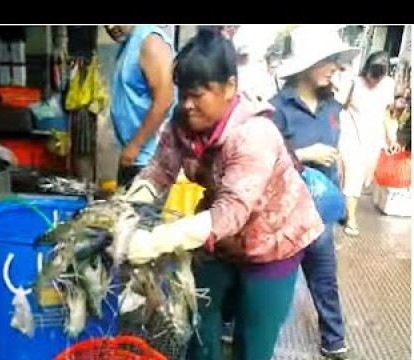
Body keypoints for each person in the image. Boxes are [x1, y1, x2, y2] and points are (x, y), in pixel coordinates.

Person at [123, 28, 324, 360]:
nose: (187, 105)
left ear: (230, 87)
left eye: (199, 94)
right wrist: (131, 204)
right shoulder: (182, 124)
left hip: (272, 242)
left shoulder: (253, 134)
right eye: (183, 94)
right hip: (219, 240)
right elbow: (160, 168)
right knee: (200, 331)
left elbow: (230, 211)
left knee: (253, 343)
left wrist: (156, 240)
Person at [270, 27, 359, 360]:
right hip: (283, 214)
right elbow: (264, 159)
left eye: (336, 60)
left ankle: (333, 340)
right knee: (271, 280)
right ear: (307, 64)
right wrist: (305, 154)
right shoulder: (277, 108)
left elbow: (339, 154)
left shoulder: (333, 108)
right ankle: (238, 326)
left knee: (324, 278)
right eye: (328, 60)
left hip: (319, 213)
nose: (335, 66)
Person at [105, 25, 176, 187]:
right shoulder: (130, 43)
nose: (110, 27)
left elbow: (165, 99)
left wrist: (135, 146)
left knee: (139, 212)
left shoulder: (150, 42)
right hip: (135, 155)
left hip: (150, 160)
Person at [338, 51, 396, 236]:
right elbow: (341, 107)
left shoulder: (388, 85)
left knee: (364, 180)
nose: (374, 81)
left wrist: (391, 137)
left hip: (373, 139)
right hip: (351, 135)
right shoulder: (354, 83)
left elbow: (386, 113)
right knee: (352, 176)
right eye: (372, 76)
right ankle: (352, 220)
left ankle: (343, 206)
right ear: (366, 70)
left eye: (379, 77)